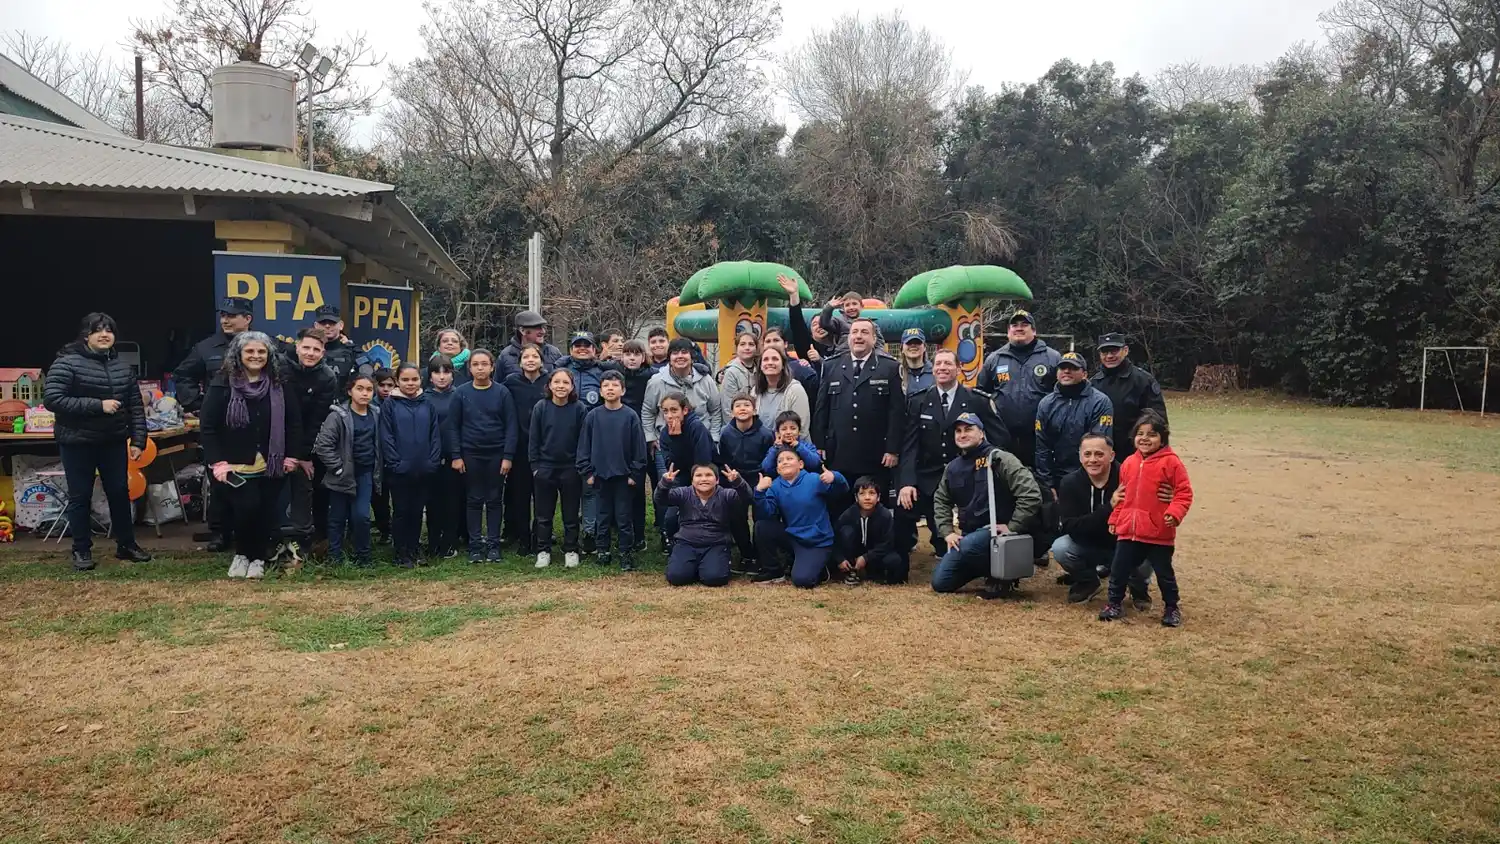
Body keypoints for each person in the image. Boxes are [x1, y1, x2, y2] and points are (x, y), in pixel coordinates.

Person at [43, 312, 152, 570]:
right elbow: (52, 399)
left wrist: (138, 440)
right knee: (80, 496)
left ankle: (126, 545)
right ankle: (81, 550)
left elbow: (135, 407)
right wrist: (97, 405)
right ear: (86, 335)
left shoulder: (121, 367)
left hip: (112, 441)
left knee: (119, 493)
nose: (104, 335)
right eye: (98, 330)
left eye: (109, 330)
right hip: (77, 442)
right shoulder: (67, 363)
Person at [199, 331, 304, 580]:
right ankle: (242, 554)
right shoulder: (222, 383)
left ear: (269, 355)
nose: (256, 356)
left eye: (261, 352)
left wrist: (291, 456)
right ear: (238, 354)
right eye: (250, 351)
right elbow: (208, 426)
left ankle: (257, 558)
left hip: (273, 462)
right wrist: (217, 462)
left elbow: (294, 424)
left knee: (265, 511)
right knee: (245, 509)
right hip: (234, 464)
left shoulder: (280, 383)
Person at [896, 348, 1003, 561]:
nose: (942, 368)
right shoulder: (919, 400)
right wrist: (906, 482)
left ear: (958, 369)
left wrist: (990, 468)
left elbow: (999, 439)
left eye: (948, 364)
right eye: (938, 364)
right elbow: (909, 445)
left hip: (969, 474)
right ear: (932, 369)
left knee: (969, 542)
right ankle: (899, 556)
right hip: (929, 474)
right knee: (903, 509)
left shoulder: (976, 400)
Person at [929, 413, 1042, 597]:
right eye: (958, 431)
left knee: (967, 547)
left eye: (968, 429)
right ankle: (987, 569)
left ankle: (1003, 576)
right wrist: (947, 532)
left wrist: (1012, 526)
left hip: (998, 535)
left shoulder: (1000, 459)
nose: (962, 435)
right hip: (968, 537)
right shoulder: (952, 468)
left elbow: (1031, 494)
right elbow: (941, 500)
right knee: (941, 582)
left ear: (981, 433)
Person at [1099, 411, 1194, 626]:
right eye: (1140, 434)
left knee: (1164, 573)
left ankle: (1171, 607)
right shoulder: (1128, 463)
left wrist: (1174, 513)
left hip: (1158, 531)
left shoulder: (1172, 463)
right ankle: (1114, 603)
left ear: (1163, 438)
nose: (1145, 438)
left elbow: (1184, 493)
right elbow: (1122, 496)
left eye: (1152, 434)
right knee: (1118, 569)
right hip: (1128, 531)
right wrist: (1115, 518)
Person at [174, 296, 253, 551]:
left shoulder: (261, 344)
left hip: (253, 425)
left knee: (251, 480)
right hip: (218, 427)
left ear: (247, 319)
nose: (225, 320)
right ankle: (219, 533)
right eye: (223, 315)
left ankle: (248, 532)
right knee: (219, 480)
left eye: (232, 315)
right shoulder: (206, 347)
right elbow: (182, 375)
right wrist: (198, 404)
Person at [812, 317, 904, 515]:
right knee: (840, 506)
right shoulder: (831, 366)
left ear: (873, 338)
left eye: (864, 332)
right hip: (839, 452)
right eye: (855, 332)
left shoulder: (889, 367)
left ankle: (875, 546)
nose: (858, 337)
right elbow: (822, 408)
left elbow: (896, 412)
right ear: (848, 337)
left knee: (874, 507)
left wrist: (893, 449)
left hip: (875, 455)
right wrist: (819, 444)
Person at [1051, 432, 1152, 606]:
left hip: (1123, 543)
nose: (1093, 460)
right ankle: (1087, 581)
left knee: (1148, 548)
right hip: (1087, 544)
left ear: (1111, 455)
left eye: (1099, 454)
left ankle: (1138, 589)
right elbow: (1070, 526)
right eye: (1087, 454)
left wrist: (1167, 494)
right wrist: (1109, 507)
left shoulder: (1129, 478)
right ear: (1080, 456)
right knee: (1061, 547)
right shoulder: (1069, 483)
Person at [447, 349, 518, 563]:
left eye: (484, 364)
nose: (480, 368)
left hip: (496, 453)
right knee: (474, 499)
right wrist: (456, 455)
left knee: (495, 500)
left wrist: (508, 456)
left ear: (492, 367)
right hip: (470, 453)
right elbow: (453, 427)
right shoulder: (460, 393)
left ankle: (494, 545)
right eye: (476, 364)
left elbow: (511, 426)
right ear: (469, 368)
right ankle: (475, 546)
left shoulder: (502, 392)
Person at [277, 327, 338, 565]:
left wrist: (300, 455)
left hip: (303, 442)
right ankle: (268, 543)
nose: (310, 353)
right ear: (297, 346)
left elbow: (316, 421)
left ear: (323, 352)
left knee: (303, 487)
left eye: (316, 349)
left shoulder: (327, 378)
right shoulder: (279, 367)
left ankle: (301, 543)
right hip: (273, 438)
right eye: (306, 348)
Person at [578, 371, 647, 570]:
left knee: (624, 517)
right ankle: (603, 550)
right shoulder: (593, 416)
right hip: (600, 477)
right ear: (600, 391)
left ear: (623, 390)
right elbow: (584, 446)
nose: (610, 389)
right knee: (603, 515)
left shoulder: (630, 416)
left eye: (615, 385)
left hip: (624, 478)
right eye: (606, 385)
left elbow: (639, 448)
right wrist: (587, 473)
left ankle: (626, 552)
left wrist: (635, 474)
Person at [977, 309, 1062, 468]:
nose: (1019, 328)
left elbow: (1062, 394)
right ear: (1008, 332)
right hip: (1003, 436)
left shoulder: (1052, 357)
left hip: (1040, 437)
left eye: (1025, 324)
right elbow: (981, 393)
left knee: (1039, 483)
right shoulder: (994, 359)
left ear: (1034, 331)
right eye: (1014, 325)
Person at [753, 446, 848, 587]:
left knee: (802, 580)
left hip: (816, 541)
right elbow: (767, 513)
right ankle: (774, 571)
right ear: (778, 469)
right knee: (762, 526)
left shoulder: (814, 480)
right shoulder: (775, 486)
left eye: (789, 458)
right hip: (793, 536)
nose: (785, 462)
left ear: (801, 464)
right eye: (780, 461)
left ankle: (821, 568)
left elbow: (842, 491)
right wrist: (759, 492)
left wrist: (835, 477)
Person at [314, 372, 382, 568]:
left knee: (362, 516)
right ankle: (335, 557)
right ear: (350, 391)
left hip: (365, 473)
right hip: (342, 475)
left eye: (369, 390)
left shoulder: (376, 414)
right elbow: (323, 446)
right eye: (359, 389)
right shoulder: (338, 416)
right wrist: (337, 468)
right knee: (337, 518)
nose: (365, 394)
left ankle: (364, 557)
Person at [379, 362, 443, 568]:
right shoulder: (390, 405)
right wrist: (395, 463)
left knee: (417, 511)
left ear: (420, 380)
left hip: (424, 468)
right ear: (397, 381)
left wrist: (433, 461)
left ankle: (415, 549)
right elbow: (386, 436)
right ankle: (401, 552)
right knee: (401, 511)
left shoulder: (427, 403)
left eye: (414, 379)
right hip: (399, 470)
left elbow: (435, 435)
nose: (410, 383)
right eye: (405, 380)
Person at [656, 464, 753, 587]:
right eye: (698, 475)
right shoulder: (683, 493)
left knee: (715, 578)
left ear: (717, 480)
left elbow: (747, 498)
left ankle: (706, 566)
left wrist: (738, 482)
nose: (703, 479)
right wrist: (664, 484)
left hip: (716, 543)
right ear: (692, 480)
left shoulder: (726, 494)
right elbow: (661, 499)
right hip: (686, 543)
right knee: (676, 577)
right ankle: (691, 566)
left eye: (708, 475)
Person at [1035, 351, 1114, 496]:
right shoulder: (1045, 404)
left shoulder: (1100, 402)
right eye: (1062, 368)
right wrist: (1047, 483)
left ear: (1084, 374)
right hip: (1057, 477)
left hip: (1088, 476)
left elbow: (1098, 446)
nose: (1066, 371)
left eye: (1073, 368)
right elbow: (1042, 447)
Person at [530, 369, 587, 568]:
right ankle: (543, 550)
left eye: (565, 382)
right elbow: (534, 439)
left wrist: (580, 466)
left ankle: (571, 549)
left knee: (571, 514)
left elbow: (583, 440)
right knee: (543, 515)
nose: (561, 386)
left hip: (571, 469)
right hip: (545, 468)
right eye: (557, 382)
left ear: (572, 386)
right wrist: (535, 467)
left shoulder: (579, 408)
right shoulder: (541, 407)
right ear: (550, 385)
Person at [718, 393, 774, 572]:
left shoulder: (765, 434)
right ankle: (746, 554)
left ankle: (760, 555)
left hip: (758, 479)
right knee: (737, 518)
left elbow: (769, 459)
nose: (742, 409)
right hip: (735, 479)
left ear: (754, 410)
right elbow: (724, 458)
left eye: (746, 405)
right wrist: (730, 478)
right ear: (731, 411)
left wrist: (765, 478)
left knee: (760, 518)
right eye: (738, 406)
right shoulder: (726, 432)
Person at [1090, 333, 1167, 461]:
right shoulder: (1093, 383)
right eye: (1105, 352)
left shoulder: (1143, 381)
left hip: (1135, 455)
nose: (1109, 356)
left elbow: (1158, 422)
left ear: (1125, 351)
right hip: (1101, 456)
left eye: (1114, 351)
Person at [653, 391, 716, 547]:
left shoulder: (696, 427)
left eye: (674, 410)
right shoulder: (665, 433)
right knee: (670, 517)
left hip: (704, 476)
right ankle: (672, 542)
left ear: (685, 410)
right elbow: (671, 465)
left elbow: (703, 460)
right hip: (681, 476)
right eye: (665, 411)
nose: (669, 415)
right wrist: (675, 439)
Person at [502, 345, 548, 553]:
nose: (530, 360)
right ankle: (522, 538)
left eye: (535, 356)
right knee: (519, 496)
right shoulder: (511, 383)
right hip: (519, 447)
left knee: (542, 496)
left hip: (544, 447)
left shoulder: (550, 382)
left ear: (541, 360)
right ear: (520, 362)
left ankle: (540, 537)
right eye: (526, 357)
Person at [643, 338, 724, 447]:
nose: (680, 356)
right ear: (669, 358)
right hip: (666, 444)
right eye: (675, 353)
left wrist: (713, 437)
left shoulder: (706, 380)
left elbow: (715, 410)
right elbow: (648, 411)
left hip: (701, 442)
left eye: (684, 352)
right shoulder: (656, 382)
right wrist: (651, 438)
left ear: (692, 357)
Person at [617, 340, 656, 546]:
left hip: (644, 438)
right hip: (620, 437)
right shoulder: (615, 373)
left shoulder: (651, 376)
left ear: (643, 357)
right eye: (627, 354)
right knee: (622, 486)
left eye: (636, 354)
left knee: (639, 485)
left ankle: (640, 534)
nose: (632, 358)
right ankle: (621, 531)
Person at [423, 355, 463, 558]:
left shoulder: (460, 395)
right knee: (432, 502)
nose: (441, 377)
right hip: (430, 458)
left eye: (446, 372)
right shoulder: (424, 397)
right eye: (436, 372)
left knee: (452, 502)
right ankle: (432, 541)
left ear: (452, 375)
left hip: (453, 458)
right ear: (430, 376)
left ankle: (450, 541)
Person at [836, 476, 903, 585]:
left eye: (872, 493)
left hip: (875, 554)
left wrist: (866, 557)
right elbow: (836, 540)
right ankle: (851, 572)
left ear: (879, 497)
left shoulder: (885, 515)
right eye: (862, 494)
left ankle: (879, 575)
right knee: (846, 532)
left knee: (894, 560)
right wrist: (840, 559)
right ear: (856, 497)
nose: (867, 498)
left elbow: (887, 543)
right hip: (854, 553)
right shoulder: (847, 515)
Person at [752, 346, 811, 434]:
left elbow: (802, 429)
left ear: (783, 365)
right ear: (760, 366)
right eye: (766, 359)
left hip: (791, 446)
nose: (770, 362)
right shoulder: (755, 391)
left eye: (775, 359)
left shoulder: (796, 390)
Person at [760, 324, 820, 409]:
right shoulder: (760, 368)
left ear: (785, 344)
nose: (772, 344)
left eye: (776, 340)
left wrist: (818, 363)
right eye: (768, 341)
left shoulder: (800, 368)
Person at [370, 368, 397, 544]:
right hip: (375, 459)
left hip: (395, 457)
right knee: (378, 498)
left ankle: (397, 530)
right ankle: (384, 529)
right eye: (382, 385)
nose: (386, 389)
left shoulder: (400, 403)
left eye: (390, 385)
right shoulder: (368, 405)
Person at [498, 310, 563, 380]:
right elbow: (498, 387)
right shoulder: (506, 355)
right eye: (537, 327)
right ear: (522, 330)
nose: (543, 331)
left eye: (543, 327)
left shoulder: (554, 353)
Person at [311, 305, 365, 386]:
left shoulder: (353, 352)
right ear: (316, 326)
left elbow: (367, 373)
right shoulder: (307, 351)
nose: (327, 326)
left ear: (341, 325)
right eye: (323, 323)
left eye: (332, 322)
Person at [720, 331, 760, 400]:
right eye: (742, 344)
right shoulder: (731, 373)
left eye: (751, 344)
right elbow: (728, 405)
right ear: (736, 348)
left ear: (756, 348)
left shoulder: (761, 369)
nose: (747, 348)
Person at [898, 328, 935, 394]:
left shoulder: (935, 372)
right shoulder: (895, 373)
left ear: (924, 347)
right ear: (902, 349)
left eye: (917, 342)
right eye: (908, 343)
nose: (913, 345)